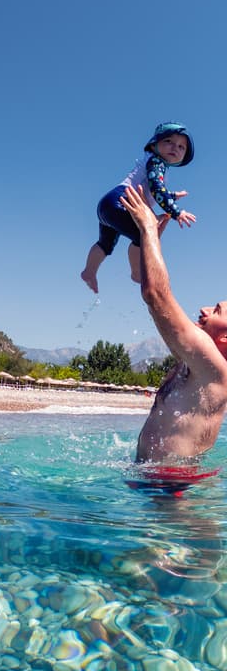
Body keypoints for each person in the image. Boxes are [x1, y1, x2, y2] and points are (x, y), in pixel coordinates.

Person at [119, 183, 227, 465]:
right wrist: (150, 243)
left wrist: (147, 230)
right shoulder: (197, 362)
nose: (203, 309)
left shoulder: (215, 367)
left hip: (173, 488)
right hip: (161, 482)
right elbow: (150, 290)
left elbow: (155, 295)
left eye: (216, 311)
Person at [81, 122, 196, 293]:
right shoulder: (157, 163)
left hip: (109, 204)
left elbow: (153, 189)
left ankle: (89, 272)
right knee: (145, 235)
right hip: (121, 203)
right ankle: (136, 273)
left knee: (105, 244)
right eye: (169, 141)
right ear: (154, 144)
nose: (175, 148)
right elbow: (157, 189)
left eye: (181, 147)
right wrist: (176, 212)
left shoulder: (152, 163)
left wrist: (171, 196)